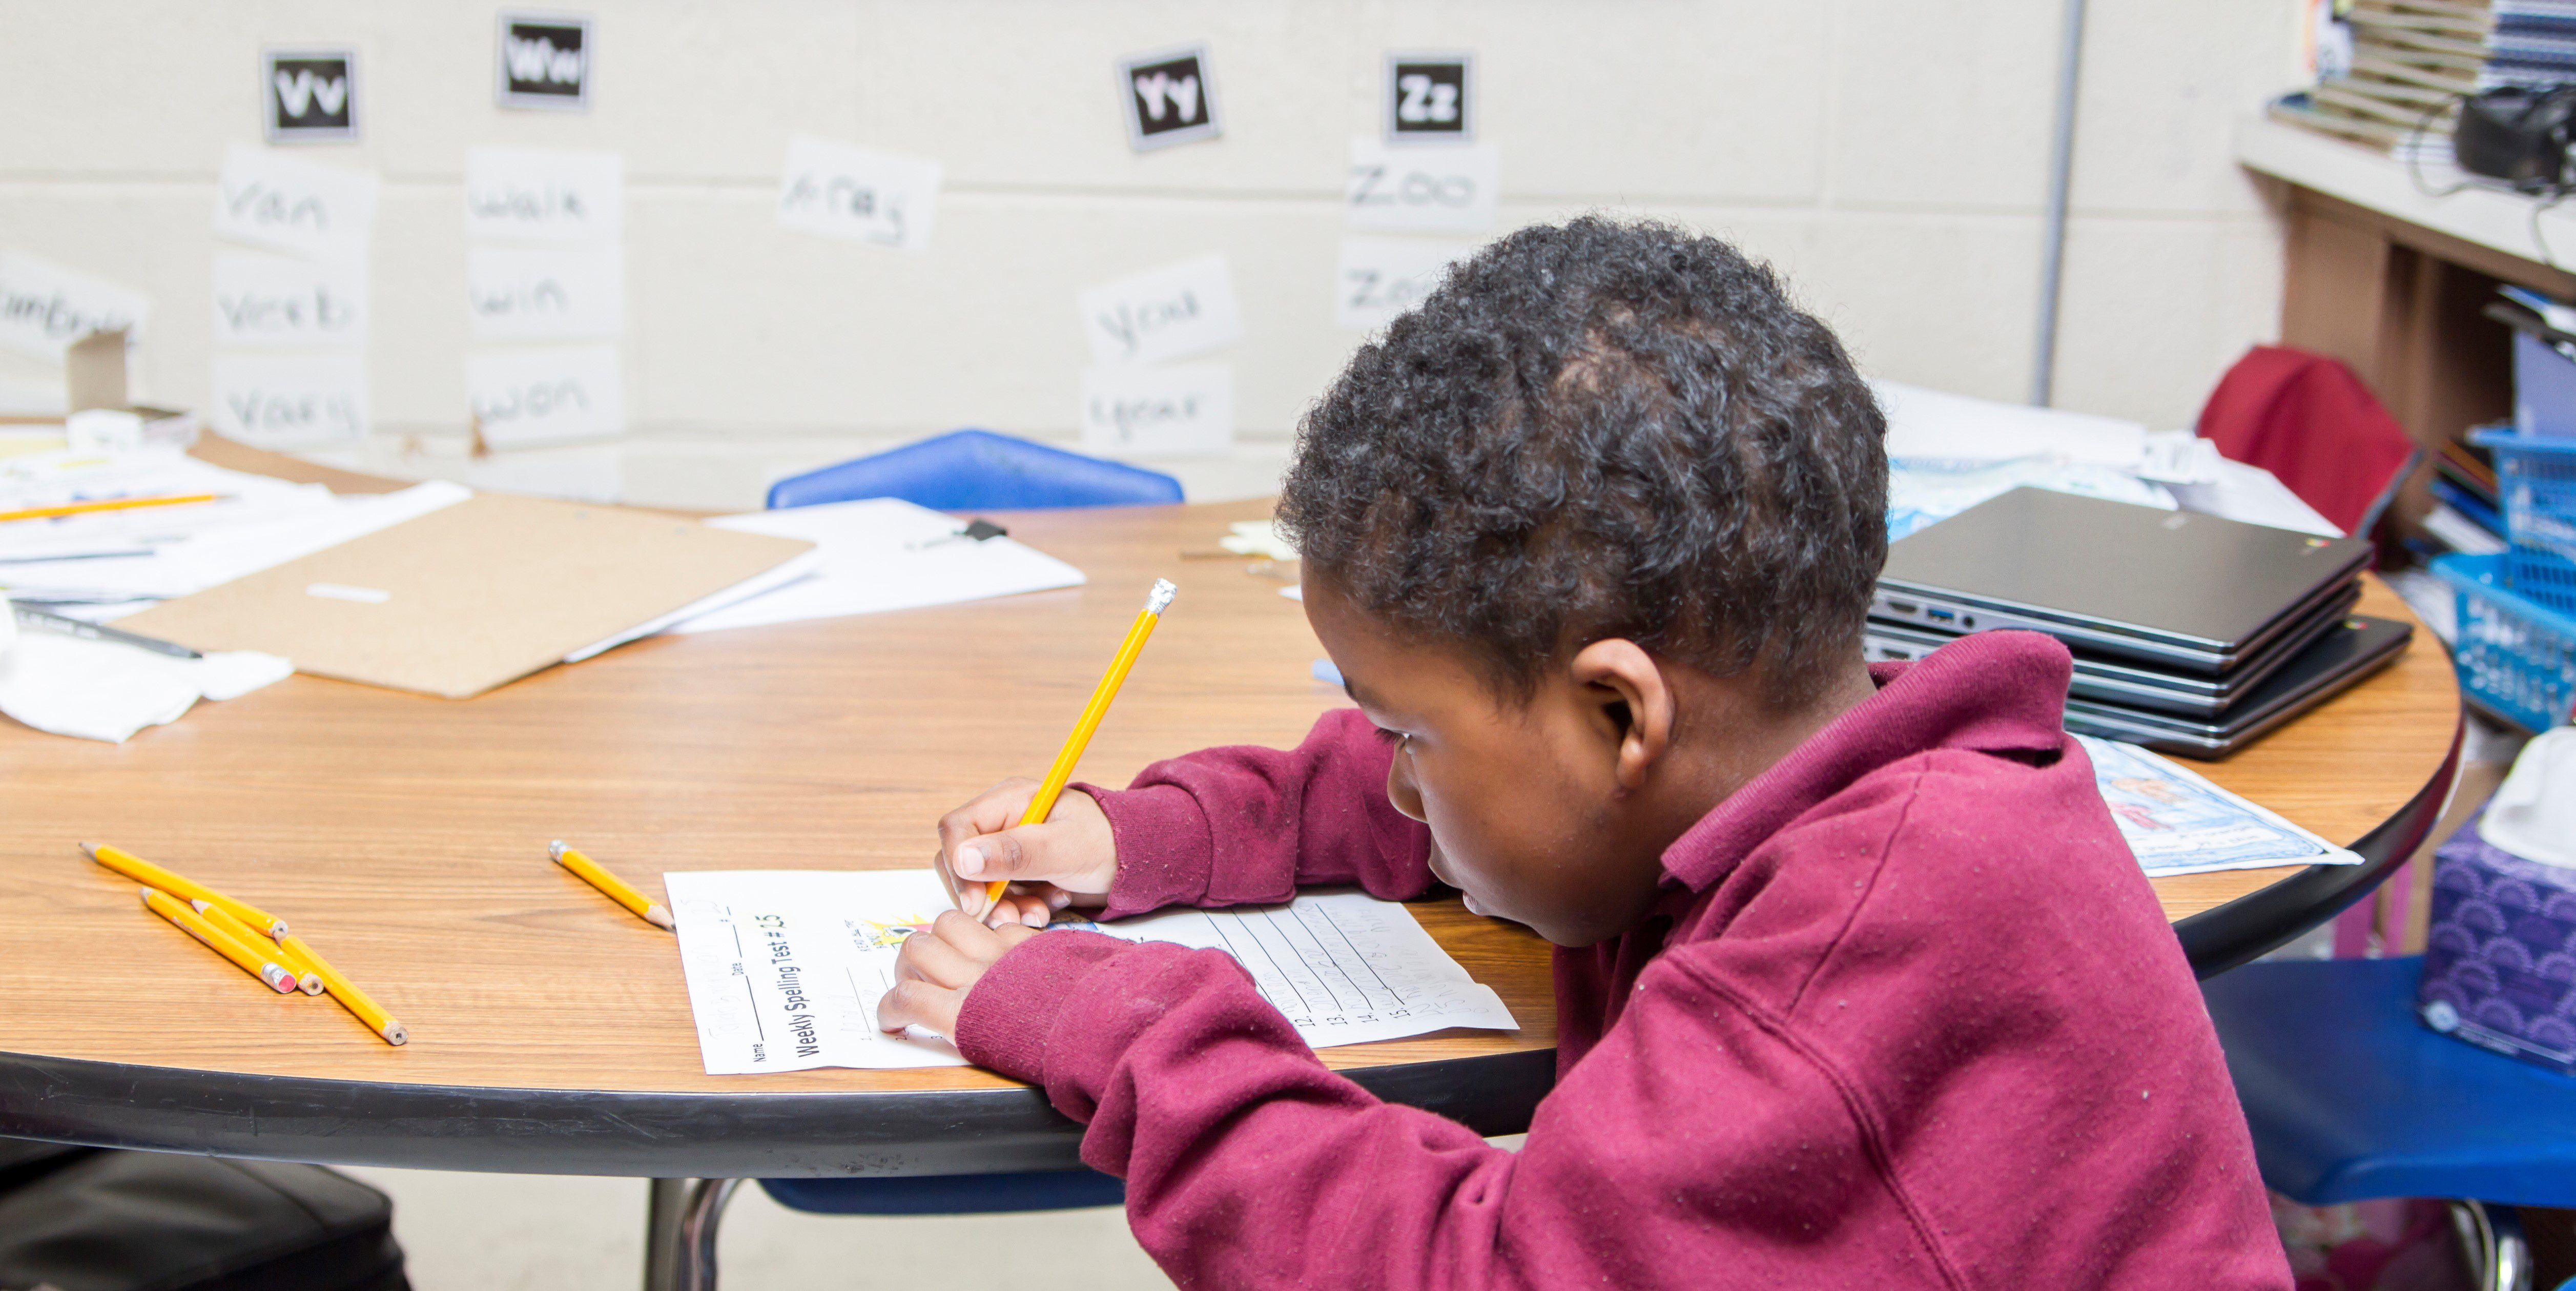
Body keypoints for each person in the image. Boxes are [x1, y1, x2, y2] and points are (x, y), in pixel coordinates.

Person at [876, 216, 2290, 1288]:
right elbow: (1437, 806)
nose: (1397, 783)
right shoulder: (1809, 759)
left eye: (1407, 734)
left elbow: (1478, 1269)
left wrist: (1116, 1024)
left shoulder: (1835, 969)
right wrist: (1155, 838)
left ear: (1620, 717)